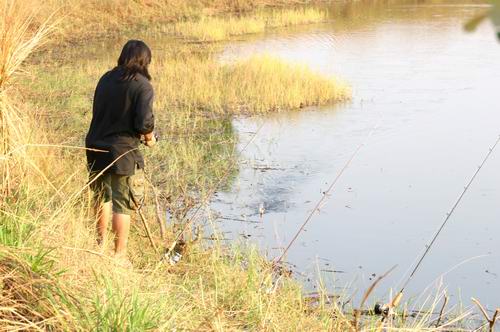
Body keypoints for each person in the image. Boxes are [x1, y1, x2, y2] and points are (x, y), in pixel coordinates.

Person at [85, 40, 156, 263]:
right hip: (121, 152)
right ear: (145, 60)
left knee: (101, 197)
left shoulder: (106, 78)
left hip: (95, 145)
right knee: (121, 203)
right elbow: (144, 123)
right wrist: (150, 138)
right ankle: (119, 256)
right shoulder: (142, 85)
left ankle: (100, 244)